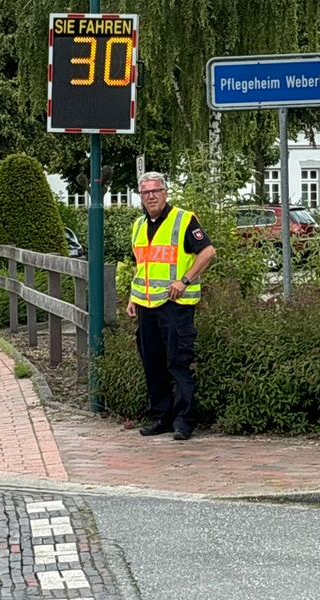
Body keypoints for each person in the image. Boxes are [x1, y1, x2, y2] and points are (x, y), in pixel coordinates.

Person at [126, 172, 216, 441]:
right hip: (146, 305)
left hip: (175, 306)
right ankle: (161, 418)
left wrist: (185, 280)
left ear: (165, 193)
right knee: (153, 364)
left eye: (155, 191)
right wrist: (133, 296)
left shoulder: (184, 219)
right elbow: (142, 265)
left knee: (179, 364)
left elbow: (208, 251)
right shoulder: (138, 225)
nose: (151, 196)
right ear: (140, 197)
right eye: (145, 193)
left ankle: (184, 422)